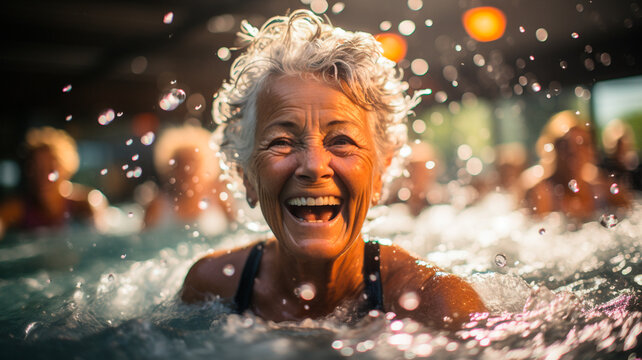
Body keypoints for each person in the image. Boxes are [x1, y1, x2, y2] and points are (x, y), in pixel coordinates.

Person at [181, 10, 486, 329]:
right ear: (247, 176)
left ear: (381, 170)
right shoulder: (212, 286)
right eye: (282, 142)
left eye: (341, 140)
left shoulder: (438, 305)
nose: (314, 166)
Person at [0, 126, 107, 238]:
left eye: (51, 169)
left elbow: (102, 228)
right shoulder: (18, 209)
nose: (43, 177)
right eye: (37, 169)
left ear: (66, 169)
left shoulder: (84, 203)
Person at [521, 111, 630, 221]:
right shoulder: (540, 191)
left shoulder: (601, 187)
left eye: (581, 144)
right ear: (552, 149)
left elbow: (630, 215)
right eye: (565, 145)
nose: (574, 153)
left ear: (590, 151)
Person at [143, 125, 235, 234]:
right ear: (170, 168)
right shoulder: (157, 206)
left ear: (204, 165)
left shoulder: (219, 198)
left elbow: (236, 231)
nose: (187, 170)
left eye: (193, 163)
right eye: (180, 164)